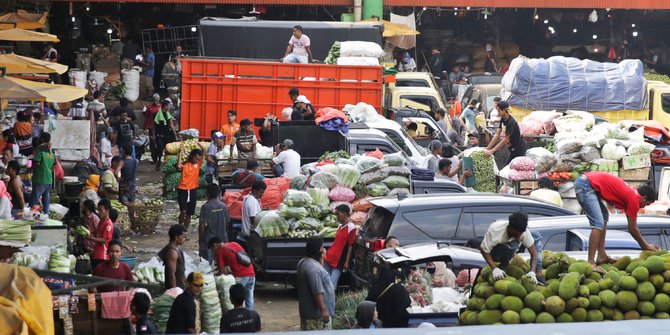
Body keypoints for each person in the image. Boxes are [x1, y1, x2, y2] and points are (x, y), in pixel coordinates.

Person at [575, 172, 658, 271]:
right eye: (646, 204)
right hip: (586, 184)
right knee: (598, 222)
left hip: (588, 183)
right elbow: (632, 228)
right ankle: (590, 262)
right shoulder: (634, 199)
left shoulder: (633, 194)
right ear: (643, 198)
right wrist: (646, 245)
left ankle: (602, 256)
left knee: (604, 217)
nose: (643, 207)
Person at [480, 211, 544, 284]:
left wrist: (532, 271)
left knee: (535, 235)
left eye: (519, 234)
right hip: (494, 254)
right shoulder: (495, 229)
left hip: (508, 256)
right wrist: (494, 268)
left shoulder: (524, 233)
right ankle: (500, 266)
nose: (518, 236)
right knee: (510, 246)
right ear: (509, 227)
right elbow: (484, 250)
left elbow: (533, 253)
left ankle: (504, 265)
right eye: (515, 233)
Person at [297, 236, 335, 330]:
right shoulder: (313, 268)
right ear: (318, 249)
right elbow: (317, 291)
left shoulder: (304, 262)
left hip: (310, 314)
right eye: (322, 248)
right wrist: (324, 310)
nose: (323, 250)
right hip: (317, 317)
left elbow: (319, 276)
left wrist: (321, 259)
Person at [209, 237, 256, 310]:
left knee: (236, 297)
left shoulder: (220, 251)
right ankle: (249, 314)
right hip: (251, 273)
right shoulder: (234, 243)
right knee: (249, 297)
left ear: (215, 245)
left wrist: (212, 277)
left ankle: (237, 316)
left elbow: (221, 273)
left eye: (212, 249)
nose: (213, 252)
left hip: (241, 275)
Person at [366, 263, 411, 328]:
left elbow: (368, 305)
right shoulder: (400, 288)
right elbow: (408, 303)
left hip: (384, 324)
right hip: (400, 324)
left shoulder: (374, 289)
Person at [323, 205, 357, 288]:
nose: (337, 217)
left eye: (338, 214)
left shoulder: (351, 228)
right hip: (329, 257)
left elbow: (350, 245)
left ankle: (329, 300)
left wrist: (347, 261)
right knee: (325, 282)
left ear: (345, 214)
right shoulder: (339, 226)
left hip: (339, 261)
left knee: (332, 285)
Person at [199, 184, 229, 262]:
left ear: (207, 194)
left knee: (207, 263)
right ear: (219, 193)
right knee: (222, 261)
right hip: (222, 238)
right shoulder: (223, 206)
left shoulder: (205, 207)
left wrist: (201, 239)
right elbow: (227, 223)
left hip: (209, 240)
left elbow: (202, 226)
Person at [177, 149, 204, 231]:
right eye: (196, 158)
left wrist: (197, 143)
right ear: (192, 157)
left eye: (198, 159)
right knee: (183, 211)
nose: (197, 160)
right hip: (183, 190)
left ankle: (185, 230)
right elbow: (178, 165)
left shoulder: (198, 164)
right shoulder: (185, 165)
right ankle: (179, 228)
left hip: (193, 190)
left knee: (189, 213)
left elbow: (204, 151)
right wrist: (181, 153)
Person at [29, 132, 55, 213]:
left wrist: (30, 169)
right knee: (46, 201)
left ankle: (28, 216)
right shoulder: (52, 151)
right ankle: (46, 217)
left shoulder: (39, 149)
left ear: (42, 139)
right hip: (49, 179)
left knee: (33, 201)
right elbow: (54, 166)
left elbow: (37, 163)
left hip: (40, 178)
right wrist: (48, 171)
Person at [86, 199, 114, 270]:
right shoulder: (101, 222)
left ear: (107, 210)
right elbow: (98, 236)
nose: (99, 212)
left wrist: (91, 238)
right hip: (96, 253)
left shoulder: (108, 224)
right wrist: (90, 235)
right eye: (98, 210)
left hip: (103, 255)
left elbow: (105, 240)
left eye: (101, 210)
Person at [159, 224, 187, 290]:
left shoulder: (175, 249)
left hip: (180, 286)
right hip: (176, 288)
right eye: (183, 236)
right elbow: (171, 274)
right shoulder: (173, 252)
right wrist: (174, 291)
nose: (184, 239)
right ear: (176, 237)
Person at [152, 99, 178, 171]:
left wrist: (175, 133)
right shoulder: (157, 114)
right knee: (160, 148)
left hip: (167, 134)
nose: (170, 107)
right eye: (169, 106)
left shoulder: (168, 114)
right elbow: (154, 125)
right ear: (165, 106)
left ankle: (167, 163)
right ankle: (159, 161)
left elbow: (171, 123)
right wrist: (153, 135)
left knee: (168, 148)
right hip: (159, 134)